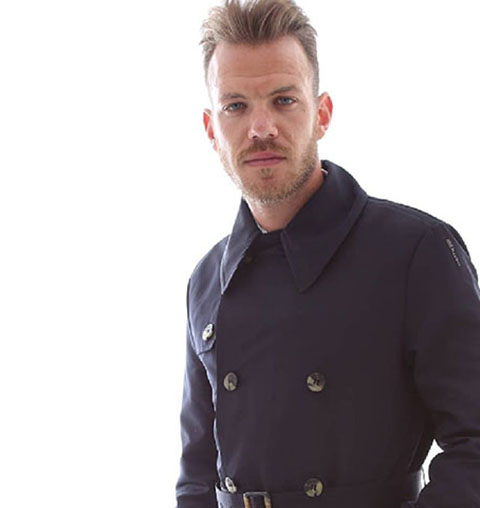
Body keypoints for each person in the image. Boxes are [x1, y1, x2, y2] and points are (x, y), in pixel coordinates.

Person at [175, 0, 480, 506]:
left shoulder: (416, 252)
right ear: (211, 129)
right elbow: (196, 477)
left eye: (283, 100)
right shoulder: (206, 278)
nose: (261, 128)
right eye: (236, 106)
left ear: (322, 114)